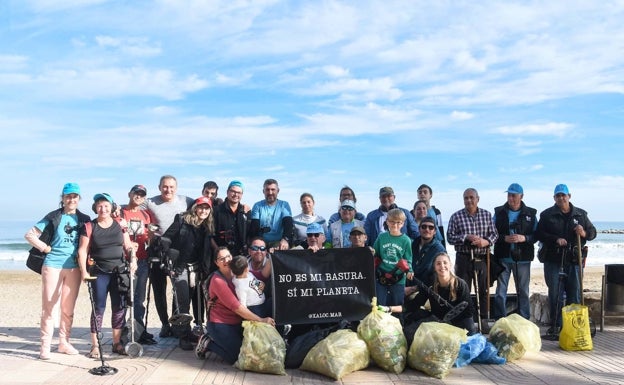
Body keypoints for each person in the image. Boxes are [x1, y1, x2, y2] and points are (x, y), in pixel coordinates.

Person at [24, 182, 91, 360]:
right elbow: (30, 234)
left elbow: (92, 238)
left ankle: (64, 342)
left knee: (68, 308)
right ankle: (45, 346)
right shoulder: (53, 216)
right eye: (68, 196)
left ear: (79, 198)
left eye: (75, 196)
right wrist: (44, 248)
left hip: (74, 268)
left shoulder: (84, 219)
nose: (71, 199)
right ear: (62, 198)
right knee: (49, 306)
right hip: (52, 265)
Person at [77, 193, 136, 358]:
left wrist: (133, 259)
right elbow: (82, 250)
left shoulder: (120, 224)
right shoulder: (89, 226)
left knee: (119, 308)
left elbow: (128, 246)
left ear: (112, 207)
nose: (103, 209)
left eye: (106, 205)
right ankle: (95, 345)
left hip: (119, 272)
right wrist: (84, 272)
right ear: (95, 208)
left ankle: (116, 343)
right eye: (99, 206)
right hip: (99, 272)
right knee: (99, 307)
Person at [536, 184, 596, 334]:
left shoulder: (581, 214)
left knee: (574, 293)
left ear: (569, 196)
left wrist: (583, 233)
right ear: (554, 198)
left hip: (574, 261)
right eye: (558, 196)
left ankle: (572, 328)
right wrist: (555, 239)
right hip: (553, 260)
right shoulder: (546, 215)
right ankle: (556, 326)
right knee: (555, 293)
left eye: (563, 195)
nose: (561, 198)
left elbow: (593, 232)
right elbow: (539, 234)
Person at [200, 247, 275, 364]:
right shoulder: (218, 281)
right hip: (221, 324)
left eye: (228, 256)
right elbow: (238, 308)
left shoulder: (238, 272)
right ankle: (207, 343)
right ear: (216, 263)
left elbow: (262, 276)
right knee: (237, 357)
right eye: (221, 259)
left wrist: (272, 256)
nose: (226, 260)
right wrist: (261, 320)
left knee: (251, 352)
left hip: (239, 322)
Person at [145, 175, 195, 338]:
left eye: (171, 187)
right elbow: (133, 206)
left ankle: (176, 325)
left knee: (179, 289)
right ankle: (165, 324)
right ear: (159, 187)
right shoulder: (150, 202)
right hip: (156, 251)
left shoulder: (186, 201)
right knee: (159, 291)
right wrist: (116, 207)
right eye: (165, 187)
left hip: (176, 253)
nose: (168, 190)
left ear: (177, 187)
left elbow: (205, 205)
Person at [165, 196, 215, 350]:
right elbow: (166, 238)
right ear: (195, 208)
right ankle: (182, 336)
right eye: (201, 207)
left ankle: (186, 332)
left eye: (207, 208)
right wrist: (169, 253)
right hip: (180, 266)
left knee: (191, 298)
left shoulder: (206, 227)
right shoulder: (182, 221)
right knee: (183, 301)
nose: (203, 211)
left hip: (196, 268)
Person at [446, 188, 498, 333]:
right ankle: (466, 322)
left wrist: (485, 241)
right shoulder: (456, 216)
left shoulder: (486, 215)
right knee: (463, 291)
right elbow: (450, 237)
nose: (469, 200)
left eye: (471, 198)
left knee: (484, 291)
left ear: (477, 198)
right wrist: (465, 237)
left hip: (481, 258)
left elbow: (494, 234)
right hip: (463, 259)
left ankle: (484, 322)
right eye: (466, 198)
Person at [384, 252, 475, 335]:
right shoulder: (429, 284)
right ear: (434, 267)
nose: (442, 266)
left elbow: (468, 312)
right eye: (438, 263)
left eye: (445, 263)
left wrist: (454, 329)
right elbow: (414, 305)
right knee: (408, 332)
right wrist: (389, 308)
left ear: (450, 265)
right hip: (438, 322)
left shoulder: (460, 284)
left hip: (460, 322)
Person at [492, 183, 538, 320]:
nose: (510, 198)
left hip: (523, 259)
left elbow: (538, 235)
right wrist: (504, 238)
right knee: (500, 291)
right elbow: (491, 234)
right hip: (503, 258)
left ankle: (524, 319)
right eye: (509, 195)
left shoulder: (531, 213)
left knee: (523, 291)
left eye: (513, 195)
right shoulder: (499, 212)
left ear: (521, 196)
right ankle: (500, 319)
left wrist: (524, 238)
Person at [119, 184, 157, 345]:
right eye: (136, 193)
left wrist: (153, 237)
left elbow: (150, 236)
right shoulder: (120, 212)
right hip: (123, 261)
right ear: (130, 193)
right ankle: (120, 333)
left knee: (139, 298)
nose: (139, 196)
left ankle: (138, 331)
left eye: (142, 194)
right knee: (124, 298)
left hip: (142, 260)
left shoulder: (145, 214)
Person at [373, 208, 414, 307]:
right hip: (381, 276)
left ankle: (399, 322)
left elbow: (408, 259)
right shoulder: (381, 237)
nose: (395, 225)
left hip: (398, 278)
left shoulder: (406, 240)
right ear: (387, 222)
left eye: (398, 222)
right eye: (392, 222)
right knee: (379, 305)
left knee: (397, 304)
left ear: (403, 223)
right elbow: (375, 254)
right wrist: (370, 252)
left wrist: (410, 271)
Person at [249, 178, 293, 250]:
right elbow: (254, 227)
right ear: (263, 191)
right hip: (261, 241)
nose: (270, 192)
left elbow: (288, 224)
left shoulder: (284, 205)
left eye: (273, 189)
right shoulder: (257, 206)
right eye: (267, 190)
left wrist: (285, 239)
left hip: (278, 241)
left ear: (278, 191)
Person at [212, 180, 250, 260]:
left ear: (242, 195)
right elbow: (209, 235)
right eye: (233, 191)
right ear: (227, 192)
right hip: (221, 257)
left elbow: (250, 234)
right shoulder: (216, 211)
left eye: (239, 192)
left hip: (241, 256)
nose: (236, 194)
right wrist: (218, 251)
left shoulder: (246, 212)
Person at [407, 216, 446, 289]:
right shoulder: (412, 245)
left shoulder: (439, 250)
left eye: (430, 227)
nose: (427, 230)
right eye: (424, 227)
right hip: (408, 285)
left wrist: (414, 289)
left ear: (435, 231)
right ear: (419, 229)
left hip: (427, 290)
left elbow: (439, 275)